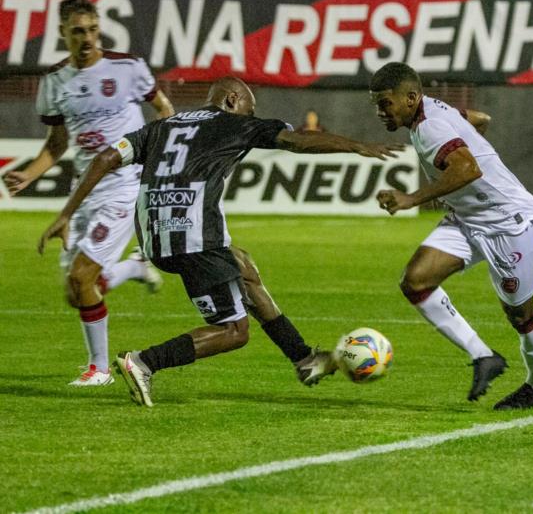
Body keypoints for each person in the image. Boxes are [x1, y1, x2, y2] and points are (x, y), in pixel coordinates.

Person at [39, 77, 401, 407]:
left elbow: (105, 157)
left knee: (243, 268)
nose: (251, 115)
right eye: (250, 108)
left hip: (154, 236)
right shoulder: (235, 123)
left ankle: (303, 358)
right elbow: (296, 140)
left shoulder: (160, 127)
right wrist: (354, 144)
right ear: (233, 99)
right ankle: (145, 362)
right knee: (234, 332)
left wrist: (66, 213)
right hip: (195, 237)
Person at [2, 0, 175, 387]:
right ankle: (134, 268)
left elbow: (164, 111)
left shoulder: (128, 67)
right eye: (78, 31)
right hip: (86, 189)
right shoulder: (54, 82)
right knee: (76, 291)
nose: (87, 37)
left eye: (93, 29)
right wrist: (29, 174)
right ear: (62, 32)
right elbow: (57, 143)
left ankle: (99, 370)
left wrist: (157, 156)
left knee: (83, 278)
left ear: (100, 29)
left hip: (123, 186)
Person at [370, 62, 533, 410]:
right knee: (416, 280)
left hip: (510, 224)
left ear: (410, 98)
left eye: (385, 103)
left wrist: (411, 199)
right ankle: (483, 356)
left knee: (521, 316)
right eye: (376, 104)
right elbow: (481, 120)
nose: (380, 112)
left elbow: (468, 168)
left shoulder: (430, 126)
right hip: (469, 219)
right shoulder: (432, 108)